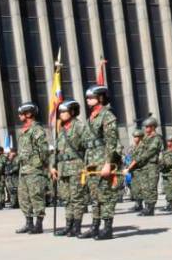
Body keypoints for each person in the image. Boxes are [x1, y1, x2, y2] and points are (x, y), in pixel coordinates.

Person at [81, 85, 121, 239]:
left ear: (101, 98)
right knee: (95, 196)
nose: (88, 100)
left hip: (103, 160)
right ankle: (95, 226)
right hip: (92, 161)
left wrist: (108, 163)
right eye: (87, 98)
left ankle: (107, 228)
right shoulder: (91, 117)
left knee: (106, 195)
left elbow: (112, 141)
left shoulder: (107, 115)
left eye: (91, 97)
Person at [50, 100, 88, 236]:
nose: (61, 114)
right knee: (66, 198)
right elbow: (56, 151)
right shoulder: (61, 129)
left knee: (76, 198)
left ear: (72, 112)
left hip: (76, 167)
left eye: (64, 111)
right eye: (60, 112)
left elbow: (87, 146)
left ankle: (77, 226)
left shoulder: (79, 126)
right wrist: (52, 166)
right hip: (62, 168)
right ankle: (68, 225)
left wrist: (87, 166)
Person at [14, 101, 49, 234]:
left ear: (29, 114)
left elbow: (44, 149)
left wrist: (40, 164)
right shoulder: (23, 130)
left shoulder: (37, 129)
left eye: (21, 113)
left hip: (34, 168)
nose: (19, 116)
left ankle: (38, 224)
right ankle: (29, 223)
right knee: (23, 197)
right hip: (23, 169)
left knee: (36, 196)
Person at [130, 117, 164, 216]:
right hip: (144, 165)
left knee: (152, 187)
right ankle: (146, 206)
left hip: (152, 165)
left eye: (148, 127)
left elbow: (149, 152)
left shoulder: (157, 138)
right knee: (145, 187)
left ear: (153, 127)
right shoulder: (145, 138)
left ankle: (150, 208)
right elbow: (139, 150)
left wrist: (137, 160)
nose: (146, 129)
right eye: (145, 127)